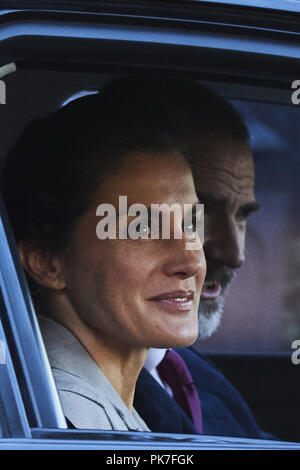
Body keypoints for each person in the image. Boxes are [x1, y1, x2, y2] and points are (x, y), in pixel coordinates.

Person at [0, 92, 206, 430]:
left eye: (191, 223)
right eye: (142, 227)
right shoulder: (65, 422)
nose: (190, 261)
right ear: (46, 261)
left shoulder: (79, 407)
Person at [98, 77, 271, 438]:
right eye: (201, 213)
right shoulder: (63, 394)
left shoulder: (191, 372)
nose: (235, 254)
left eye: (242, 216)